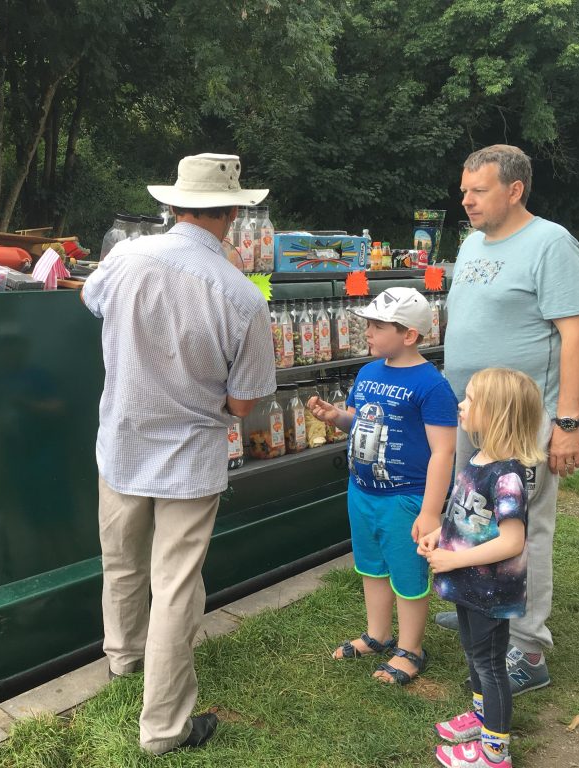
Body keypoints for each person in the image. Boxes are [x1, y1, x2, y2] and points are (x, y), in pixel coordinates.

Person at [80, 153, 276, 755]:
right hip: (190, 460)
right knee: (175, 587)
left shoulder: (125, 257)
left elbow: (91, 302)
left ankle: (123, 658)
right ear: (233, 216)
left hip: (122, 443)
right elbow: (246, 404)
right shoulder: (242, 296)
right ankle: (164, 727)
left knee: (121, 563)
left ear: (171, 205)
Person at [440, 145, 579, 695]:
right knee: (475, 512)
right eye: (464, 190)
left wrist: (567, 423)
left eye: (477, 190)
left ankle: (528, 647)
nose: (466, 200)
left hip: (523, 418)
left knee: (525, 528)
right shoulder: (472, 242)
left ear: (514, 189)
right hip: (472, 412)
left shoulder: (551, 244)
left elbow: (578, 335)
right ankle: (485, 603)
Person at [308, 287, 457, 684]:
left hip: (404, 499)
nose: (367, 333)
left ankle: (411, 649)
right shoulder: (368, 372)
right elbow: (357, 421)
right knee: (371, 567)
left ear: (409, 334)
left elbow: (443, 452)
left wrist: (429, 512)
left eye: (376, 326)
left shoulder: (432, 386)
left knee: (407, 573)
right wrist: (335, 416)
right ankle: (378, 635)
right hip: (362, 491)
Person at [420, 367, 547, 768]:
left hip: (491, 592)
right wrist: (440, 533)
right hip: (467, 585)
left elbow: (511, 540)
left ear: (496, 412)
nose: (461, 404)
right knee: (474, 656)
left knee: (490, 665)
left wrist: (454, 558)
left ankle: (494, 752)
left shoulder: (507, 475)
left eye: (470, 399)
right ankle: (480, 719)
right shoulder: (477, 459)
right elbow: (469, 518)